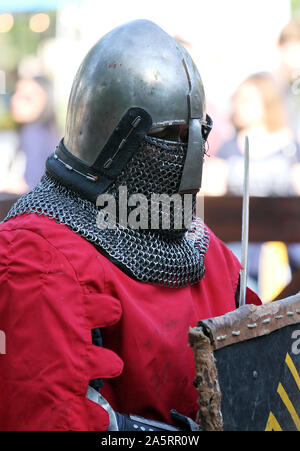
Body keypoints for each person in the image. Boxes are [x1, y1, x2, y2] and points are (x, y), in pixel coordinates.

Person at [0, 20, 261, 432]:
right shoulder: (37, 254)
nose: (187, 156)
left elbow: (260, 375)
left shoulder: (205, 248)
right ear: (113, 138)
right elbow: (45, 414)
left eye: (194, 135)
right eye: (169, 136)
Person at [204, 72, 300, 297]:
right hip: (242, 249)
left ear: (266, 103)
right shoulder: (229, 147)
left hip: (287, 247)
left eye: (247, 100)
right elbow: (211, 186)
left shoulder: (291, 147)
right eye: (237, 99)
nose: (238, 106)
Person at [10, 75, 59, 191]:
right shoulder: (35, 132)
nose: (15, 100)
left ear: (45, 101)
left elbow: (32, 187)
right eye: (15, 93)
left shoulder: (35, 136)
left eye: (26, 98)